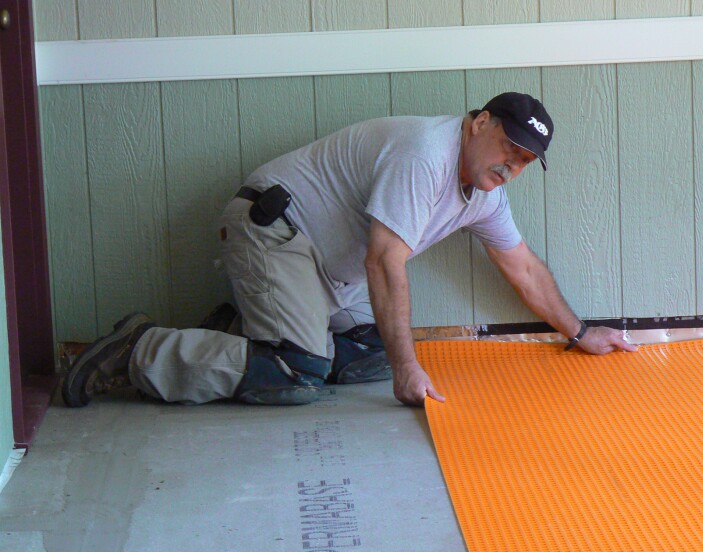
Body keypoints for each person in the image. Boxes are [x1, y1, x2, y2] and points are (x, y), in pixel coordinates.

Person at [62, 92, 635, 410]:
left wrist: (580, 333)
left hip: (320, 272)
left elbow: (525, 269)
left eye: (527, 159)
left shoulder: (483, 193)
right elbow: (383, 262)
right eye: (509, 145)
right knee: (297, 373)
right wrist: (410, 371)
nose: (514, 163)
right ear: (478, 121)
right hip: (273, 231)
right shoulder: (426, 154)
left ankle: (242, 332)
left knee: (370, 351)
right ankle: (136, 352)